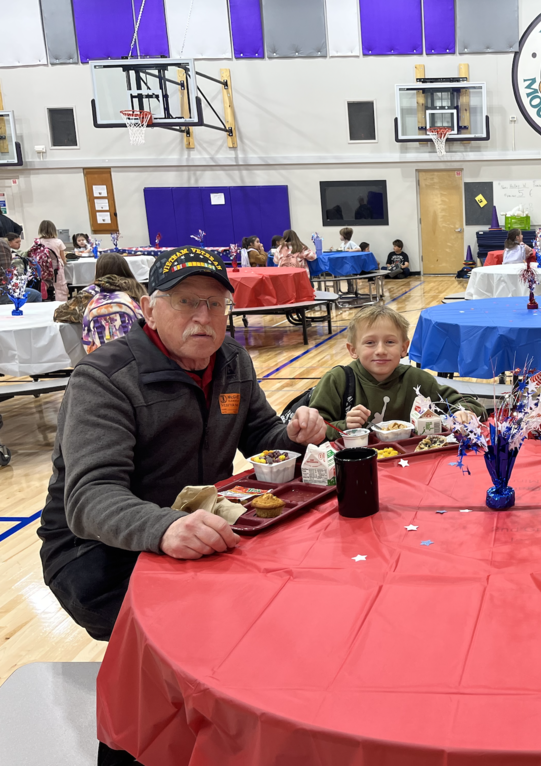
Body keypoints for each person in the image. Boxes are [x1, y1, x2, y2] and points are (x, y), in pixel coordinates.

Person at [37, 246, 325, 765]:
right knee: (203, 641)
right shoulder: (104, 379)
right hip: (94, 556)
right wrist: (165, 528)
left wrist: (297, 437)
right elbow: (88, 498)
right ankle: (154, 739)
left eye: (216, 305)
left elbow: (262, 434)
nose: (203, 317)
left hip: (195, 527)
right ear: (149, 308)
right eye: (186, 302)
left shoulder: (231, 361)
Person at [309, 304, 487, 432]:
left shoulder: (417, 380)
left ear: (404, 348)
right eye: (370, 343)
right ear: (353, 350)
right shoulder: (337, 380)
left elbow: (470, 404)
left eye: (390, 342)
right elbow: (312, 431)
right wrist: (345, 425)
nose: (380, 350)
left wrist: (462, 414)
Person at [53, 253, 145, 352]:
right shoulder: (137, 288)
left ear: (98, 270)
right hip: (137, 349)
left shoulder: (91, 292)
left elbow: (59, 314)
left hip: (101, 354)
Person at [0, 232, 42, 304]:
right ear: (9, 243)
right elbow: (4, 274)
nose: (19, 244)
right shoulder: (2, 245)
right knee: (36, 295)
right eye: (17, 242)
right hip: (2, 292)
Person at [36, 220, 69, 301]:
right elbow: (62, 257)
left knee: (45, 280)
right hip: (56, 267)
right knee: (60, 287)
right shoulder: (58, 242)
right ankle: (61, 303)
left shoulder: (38, 241)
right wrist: (65, 261)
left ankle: (45, 285)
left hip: (42, 267)